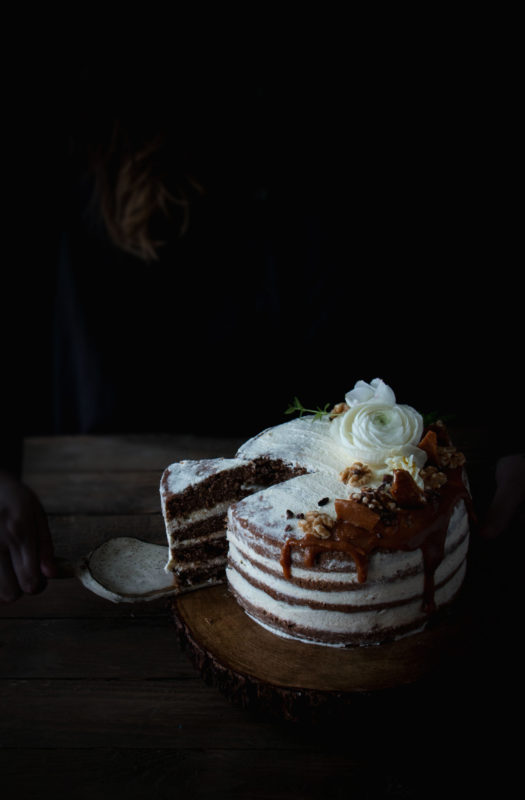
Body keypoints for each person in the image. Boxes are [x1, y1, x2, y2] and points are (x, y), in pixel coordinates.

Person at [2, 57, 523, 602]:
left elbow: (472, 259)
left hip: (347, 468)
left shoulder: (353, 125)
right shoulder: (70, 122)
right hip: (104, 468)